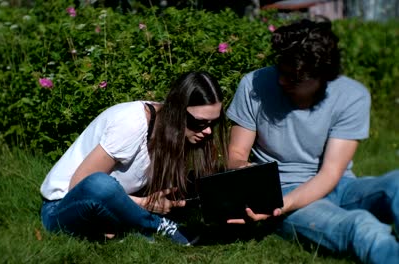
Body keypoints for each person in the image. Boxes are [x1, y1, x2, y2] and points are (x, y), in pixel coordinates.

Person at [225, 19, 399, 263]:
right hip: (284, 191)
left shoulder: (352, 95)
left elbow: (330, 173)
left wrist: (285, 204)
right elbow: (236, 153)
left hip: (339, 186)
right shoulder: (253, 84)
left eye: (293, 78)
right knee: (361, 227)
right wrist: (251, 179)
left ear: (323, 77)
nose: (281, 81)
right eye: (280, 70)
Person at [39, 71, 228, 245]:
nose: (208, 130)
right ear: (177, 110)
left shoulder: (174, 131)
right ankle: (156, 225)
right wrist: (144, 204)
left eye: (214, 123)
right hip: (64, 207)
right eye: (199, 122)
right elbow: (83, 185)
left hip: (107, 208)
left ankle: (123, 227)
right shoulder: (132, 123)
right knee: (100, 184)